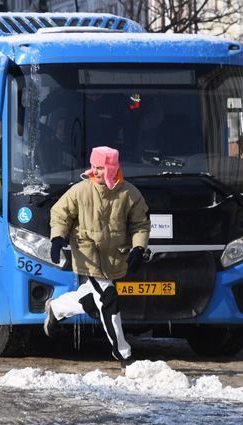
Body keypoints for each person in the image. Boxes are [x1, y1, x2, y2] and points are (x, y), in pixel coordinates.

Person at [44, 146, 151, 368]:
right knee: (109, 299)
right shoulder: (80, 190)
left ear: (112, 168)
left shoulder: (130, 194)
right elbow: (59, 214)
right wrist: (57, 238)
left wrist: (139, 248)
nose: (95, 171)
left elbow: (140, 224)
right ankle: (124, 355)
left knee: (93, 301)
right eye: (93, 166)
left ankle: (56, 309)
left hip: (114, 258)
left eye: (100, 167)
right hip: (88, 256)